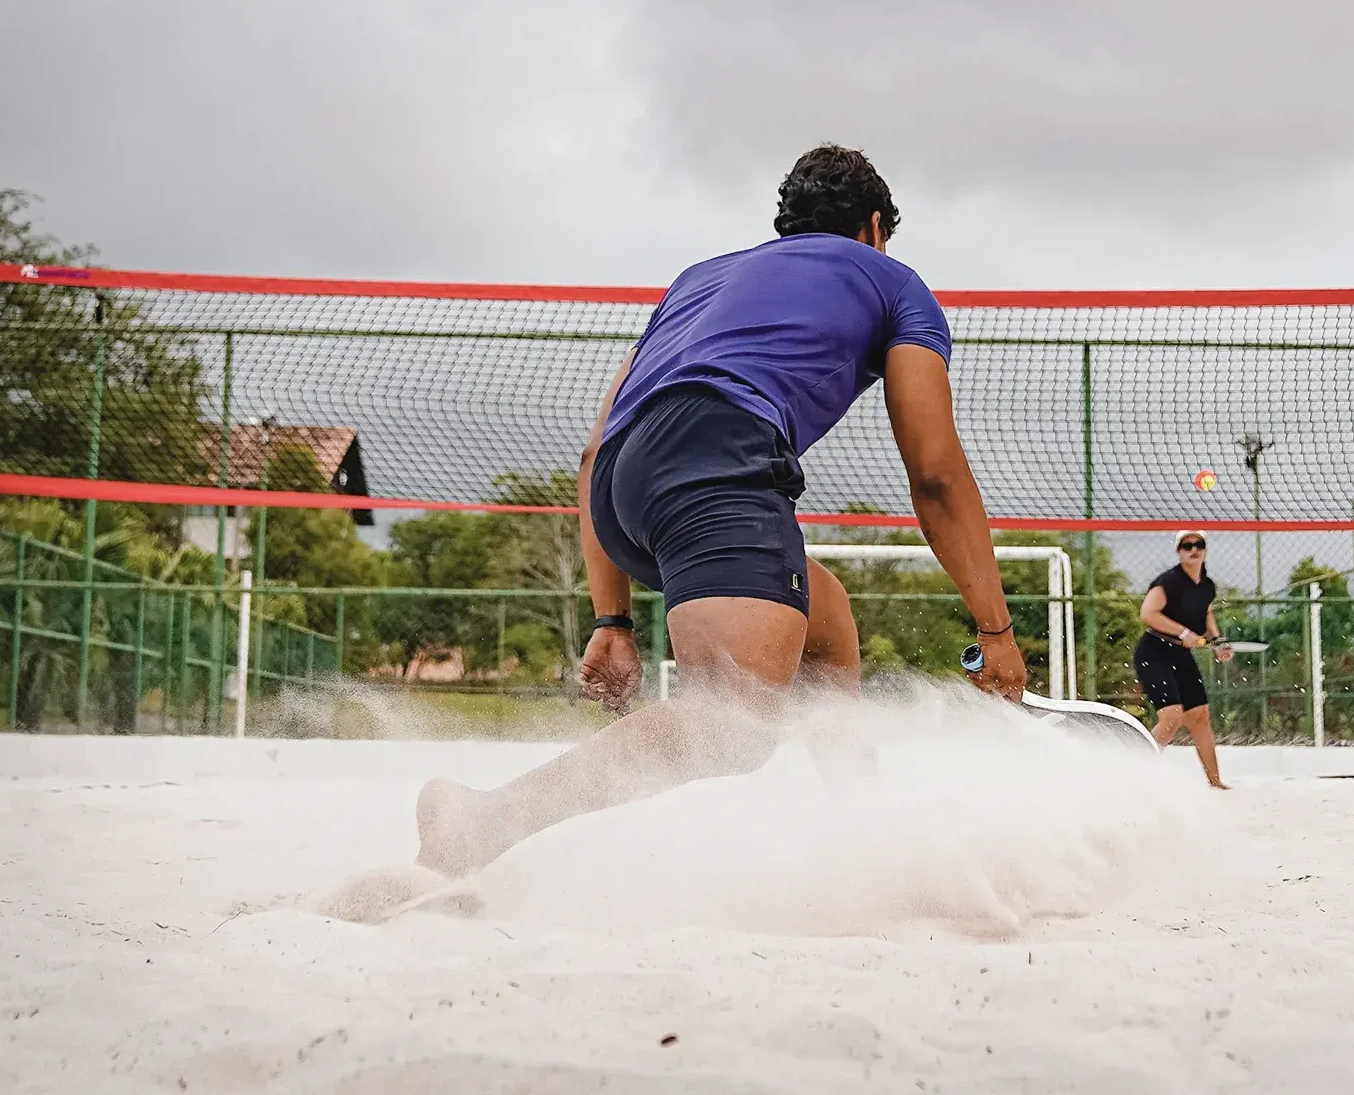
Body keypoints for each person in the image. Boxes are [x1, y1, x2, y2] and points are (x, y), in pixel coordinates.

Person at [414, 144, 1028, 875]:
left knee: (824, 624)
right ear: (874, 227)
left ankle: (867, 840)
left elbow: (592, 450)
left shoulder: (699, 281)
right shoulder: (893, 280)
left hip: (622, 486)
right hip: (717, 454)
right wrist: (995, 628)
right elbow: (933, 471)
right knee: (732, 728)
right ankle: (483, 821)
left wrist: (612, 621)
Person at [1134, 529, 1234, 789]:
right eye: (1186, 545)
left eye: (1198, 544)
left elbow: (1207, 615)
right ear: (1178, 551)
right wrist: (1183, 632)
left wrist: (1218, 642)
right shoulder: (1167, 582)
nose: (1193, 549)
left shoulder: (1207, 586)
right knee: (1172, 717)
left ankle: (1215, 782)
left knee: (1200, 715)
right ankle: (1131, 770)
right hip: (1154, 651)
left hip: (1181, 653)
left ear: (1205, 550)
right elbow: (1147, 613)